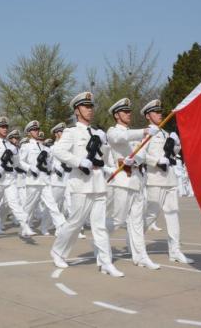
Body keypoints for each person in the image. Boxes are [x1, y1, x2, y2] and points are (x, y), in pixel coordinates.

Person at [50, 92, 124, 277]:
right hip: (81, 185)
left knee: (99, 226)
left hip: (98, 184)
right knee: (75, 222)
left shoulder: (98, 133)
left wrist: (107, 167)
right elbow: (57, 150)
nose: (89, 110)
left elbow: (102, 158)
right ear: (77, 110)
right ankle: (58, 251)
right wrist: (78, 161)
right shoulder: (71, 132)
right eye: (85, 106)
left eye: (91, 106)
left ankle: (106, 263)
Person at [106, 98, 160, 269]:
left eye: (129, 111)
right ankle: (100, 242)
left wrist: (135, 160)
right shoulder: (113, 131)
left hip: (137, 180)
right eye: (125, 111)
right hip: (122, 180)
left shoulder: (135, 133)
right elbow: (121, 138)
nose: (128, 114)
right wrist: (144, 131)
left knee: (136, 222)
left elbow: (141, 154)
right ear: (116, 115)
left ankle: (141, 256)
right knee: (117, 220)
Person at [139, 99, 193, 264]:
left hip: (169, 179)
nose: (160, 114)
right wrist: (156, 161)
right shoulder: (147, 133)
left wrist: (176, 143)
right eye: (156, 112)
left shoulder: (165, 133)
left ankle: (175, 251)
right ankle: (135, 240)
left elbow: (173, 153)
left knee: (173, 215)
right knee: (151, 215)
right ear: (148, 116)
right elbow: (140, 154)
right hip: (155, 180)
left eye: (160, 111)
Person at [20, 120, 65, 235]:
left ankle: (60, 226)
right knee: (29, 207)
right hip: (33, 181)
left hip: (45, 180)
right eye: (34, 130)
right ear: (29, 133)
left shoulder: (45, 148)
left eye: (37, 129)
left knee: (52, 205)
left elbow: (49, 163)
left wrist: (53, 167)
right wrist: (30, 168)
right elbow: (20, 162)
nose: (37, 131)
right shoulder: (26, 147)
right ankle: (23, 226)